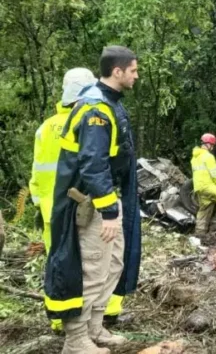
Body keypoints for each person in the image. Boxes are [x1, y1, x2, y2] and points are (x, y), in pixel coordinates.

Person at [44, 46, 142, 353]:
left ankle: (95, 328)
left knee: (112, 264)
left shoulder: (110, 103)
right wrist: (110, 211)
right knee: (91, 268)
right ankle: (76, 340)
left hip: (109, 198)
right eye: (134, 70)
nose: (137, 76)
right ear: (117, 72)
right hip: (93, 204)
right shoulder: (95, 110)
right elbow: (92, 163)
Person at [30, 68, 97, 333]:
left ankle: (58, 320)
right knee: (86, 263)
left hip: (50, 208)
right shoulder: (87, 122)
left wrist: (39, 203)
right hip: (80, 207)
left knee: (56, 262)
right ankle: (90, 318)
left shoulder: (45, 128)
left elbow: (36, 172)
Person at [191, 134, 216, 236]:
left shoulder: (195, 157)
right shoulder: (208, 156)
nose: (212, 147)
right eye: (212, 145)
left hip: (198, 188)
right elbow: (214, 174)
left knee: (204, 209)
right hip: (207, 185)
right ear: (208, 144)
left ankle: (199, 233)